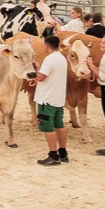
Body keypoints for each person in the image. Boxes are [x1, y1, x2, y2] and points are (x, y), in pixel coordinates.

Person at [34, 34, 69, 166]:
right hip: (58, 98)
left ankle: (53, 155)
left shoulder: (49, 59)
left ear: (47, 46)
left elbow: (41, 77)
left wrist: (36, 70)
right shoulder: (62, 58)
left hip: (46, 99)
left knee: (47, 127)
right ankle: (63, 152)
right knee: (59, 125)